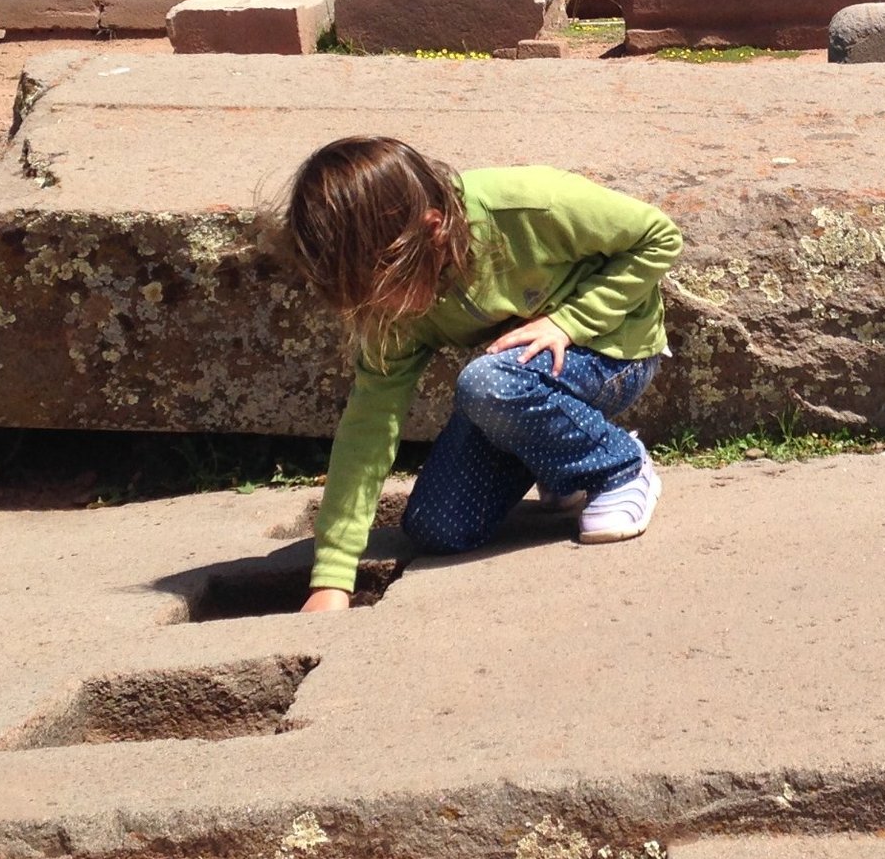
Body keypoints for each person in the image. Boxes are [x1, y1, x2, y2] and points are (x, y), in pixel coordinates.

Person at [283, 136, 683, 613]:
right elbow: (369, 423)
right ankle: (560, 463)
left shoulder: (529, 205)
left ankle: (617, 467)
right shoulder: (389, 309)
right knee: (438, 528)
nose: (376, 312)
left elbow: (659, 236)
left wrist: (567, 323)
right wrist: (332, 577)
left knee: (487, 383)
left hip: (614, 354)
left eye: (379, 292)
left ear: (432, 231)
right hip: (522, 382)